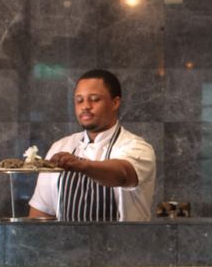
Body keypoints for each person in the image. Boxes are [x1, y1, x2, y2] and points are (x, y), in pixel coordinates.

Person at [27, 69, 157, 222]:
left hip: (121, 244)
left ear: (115, 103)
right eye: (79, 100)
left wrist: (80, 165)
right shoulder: (60, 147)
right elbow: (41, 213)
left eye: (94, 99)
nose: (86, 106)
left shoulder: (138, 147)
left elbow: (121, 174)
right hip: (69, 245)